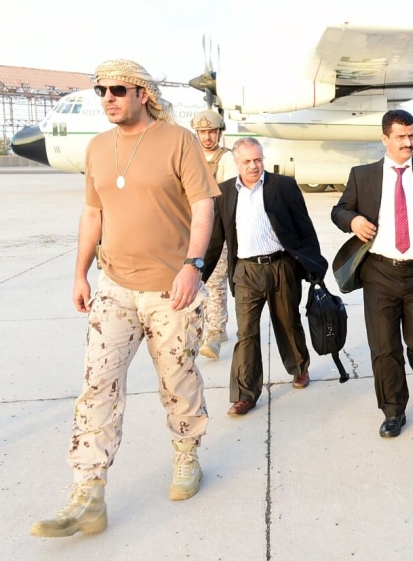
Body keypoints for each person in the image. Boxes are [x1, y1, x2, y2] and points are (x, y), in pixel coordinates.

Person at [30, 59, 219, 538]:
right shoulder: (96, 148)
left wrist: (192, 267)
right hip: (114, 287)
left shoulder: (179, 141)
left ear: (142, 94)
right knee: (97, 386)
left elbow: (203, 208)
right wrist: (79, 273)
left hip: (169, 291)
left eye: (117, 89)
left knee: (177, 379)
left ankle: (185, 453)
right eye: (101, 91)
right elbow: (92, 214)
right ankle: (88, 493)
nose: (108, 98)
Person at [331, 109, 413, 438]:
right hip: (379, 273)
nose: (408, 142)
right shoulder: (363, 175)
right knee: (384, 347)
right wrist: (352, 221)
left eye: (411, 135)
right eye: (401, 137)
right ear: (385, 139)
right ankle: (393, 409)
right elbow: (340, 209)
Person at [203, 137, 327, 416]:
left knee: (287, 322)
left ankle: (299, 368)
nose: (253, 166)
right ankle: (245, 393)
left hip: (280, 266)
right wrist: (199, 277)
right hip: (245, 271)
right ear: (236, 163)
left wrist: (314, 266)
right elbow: (214, 241)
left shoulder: (282, 186)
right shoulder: (223, 193)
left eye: (257, 160)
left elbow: (304, 228)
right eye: (247, 161)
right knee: (246, 332)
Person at [190, 110, 238, 359]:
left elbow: (228, 195)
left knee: (215, 283)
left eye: (211, 132)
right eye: (202, 132)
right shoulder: (189, 156)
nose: (207, 137)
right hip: (192, 229)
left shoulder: (226, 160)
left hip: (216, 230)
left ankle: (214, 334)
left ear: (219, 133)